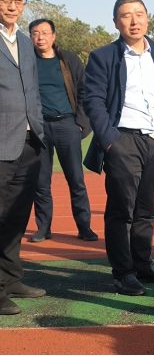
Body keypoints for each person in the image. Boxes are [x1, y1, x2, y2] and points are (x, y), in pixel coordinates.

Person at [84, 0, 154, 296]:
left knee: (147, 209)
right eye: (126, 15)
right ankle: (123, 273)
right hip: (122, 139)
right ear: (116, 22)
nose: (134, 21)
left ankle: (143, 265)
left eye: (139, 14)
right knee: (121, 211)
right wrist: (110, 141)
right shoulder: (103, 57)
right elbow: (93, 100)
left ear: (147, 17)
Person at [0, 0, 46, 316]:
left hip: (30, 141)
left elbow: (33, 89)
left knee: (17, 216)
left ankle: (12, 279)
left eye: (18, 0)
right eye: (5, 0)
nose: (12, 6)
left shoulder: (27, 42)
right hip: (1, 143)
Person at [28, 19, 97, 243]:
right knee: (41, 181)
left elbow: (85, 91)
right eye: (35, 33)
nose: (40, 37)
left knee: (76, 179)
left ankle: (84, 227)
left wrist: (81, 124)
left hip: (67, 125)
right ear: (30, 37)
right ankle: (43, 228)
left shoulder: (69, 60)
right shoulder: (27, 62)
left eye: (45, 32)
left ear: (54, 36)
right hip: (39, 127)